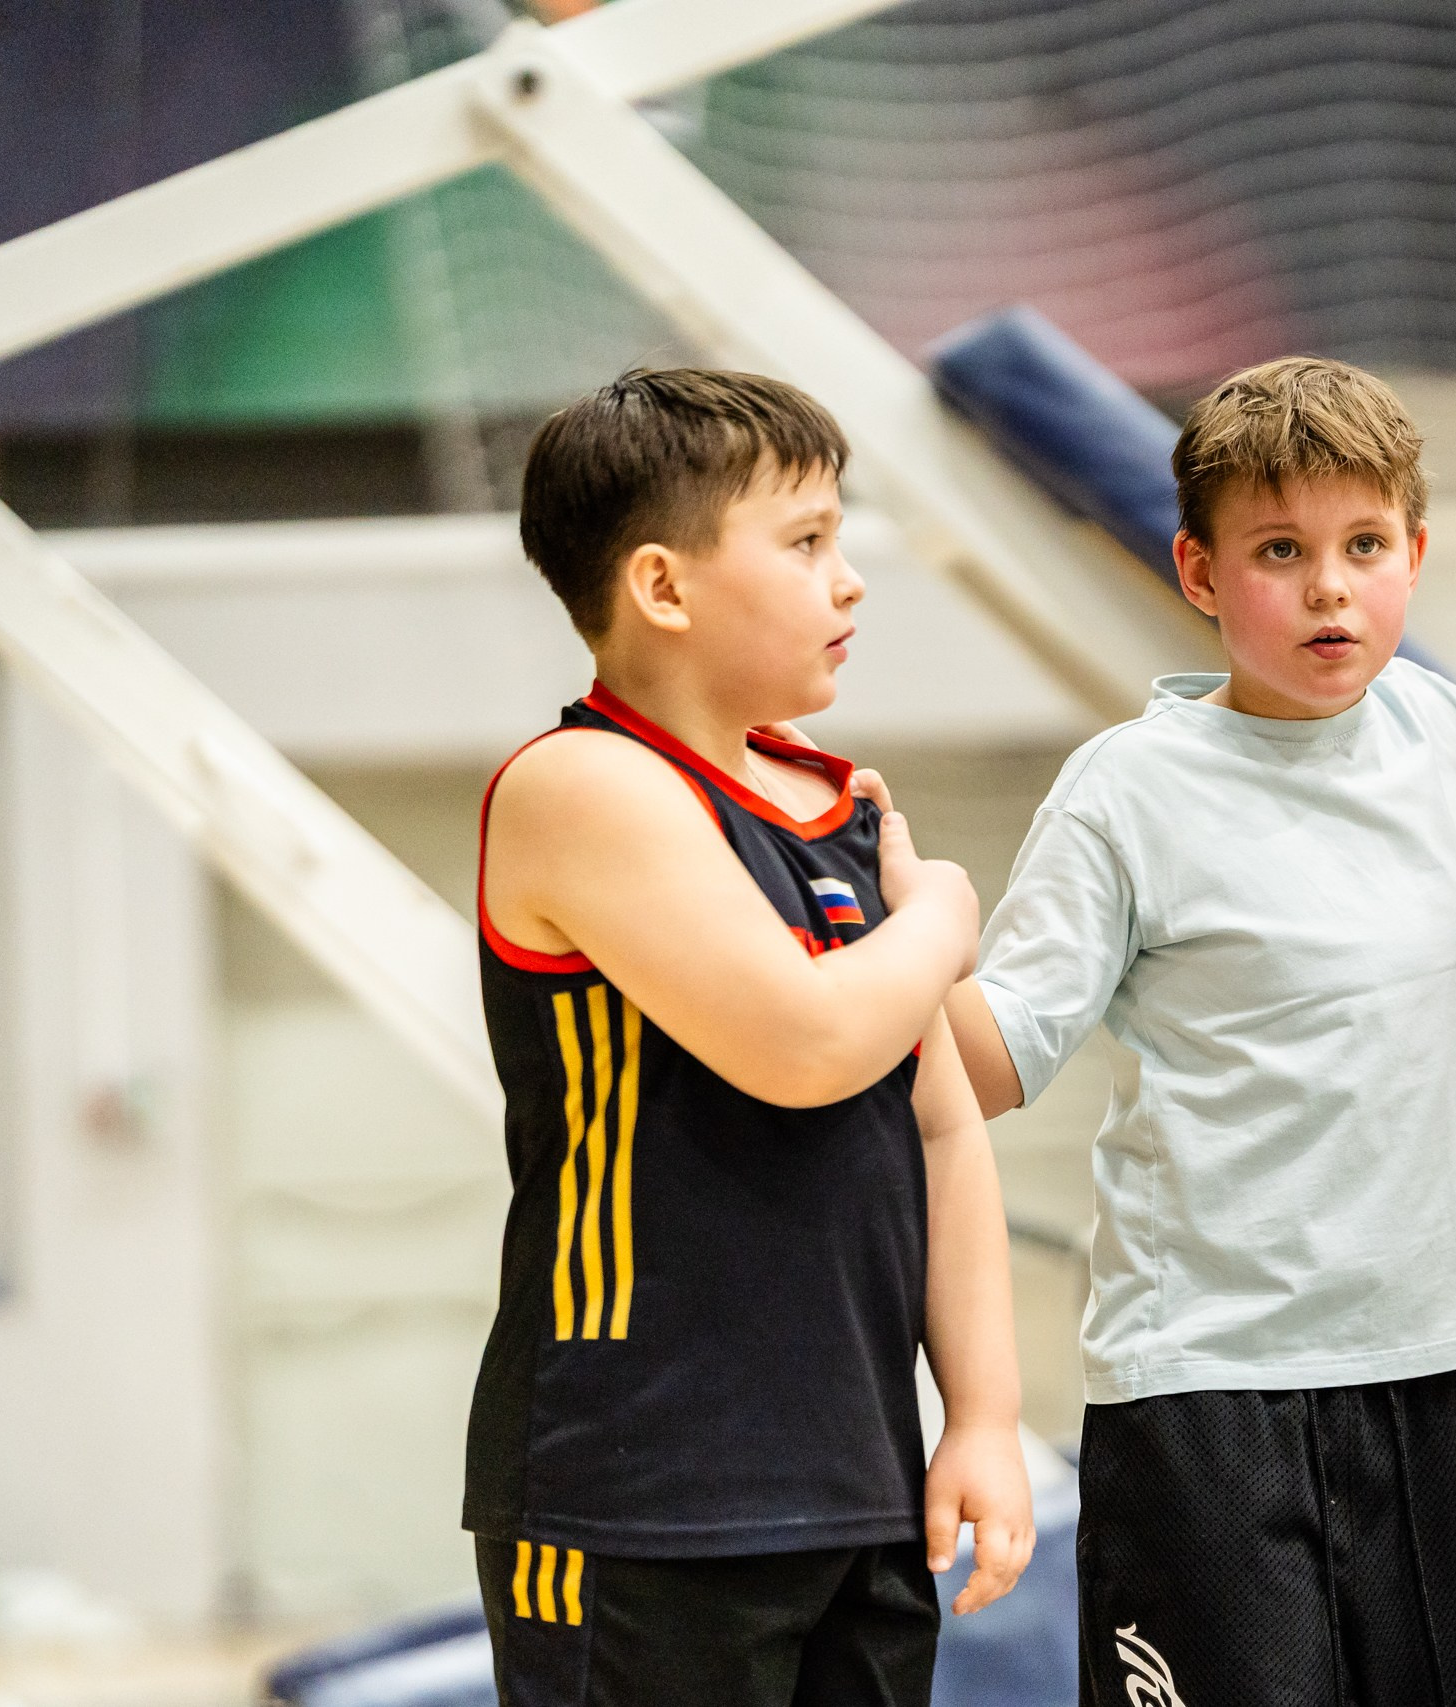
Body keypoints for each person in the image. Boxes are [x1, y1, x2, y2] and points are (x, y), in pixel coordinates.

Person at [945, 356, 1456, 1706]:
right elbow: (985, 1052)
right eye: (1281, 550)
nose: (1331, 584)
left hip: (1434, 1401)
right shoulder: (1129, 792)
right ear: (1202, 573)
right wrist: (868, 957)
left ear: (1416, 554)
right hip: (1208, 1398)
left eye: (1364, 545)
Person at [467, 368, 1034, 1707]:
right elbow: (809, 1043)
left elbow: (945, 1116)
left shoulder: (834, 799)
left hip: (855, 1481)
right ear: (663, 585)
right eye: (807, 541)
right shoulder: (581, 786)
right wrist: (945, 909)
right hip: (642, 1492)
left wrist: (988, 1413)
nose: (849, 581)